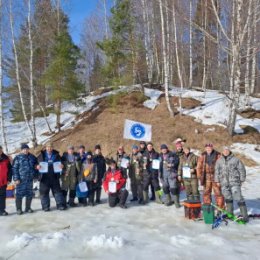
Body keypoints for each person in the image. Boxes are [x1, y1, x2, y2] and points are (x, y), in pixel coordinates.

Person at [215, 147, 248, 221]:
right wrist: (217, 181)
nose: (226, 152)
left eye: (227, 150)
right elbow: (217, 171)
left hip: (234, 182)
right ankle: (230, 214)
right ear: (222, 151)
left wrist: (242, 179)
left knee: (238, 197)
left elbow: (241, 169)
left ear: (229, 151)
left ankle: (244, 216)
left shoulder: (236, 160)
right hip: (224, 182)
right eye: (224, 150)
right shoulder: (219, 161)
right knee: (228, 198)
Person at [38, 142, 65, 211]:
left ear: (52, 148)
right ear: (46, 148)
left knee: (57, 191)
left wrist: (62, 165)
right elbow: (35, 164)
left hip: (54, 176)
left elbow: (62, 163)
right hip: (44, 177)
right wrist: (37, 166)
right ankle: (45, 206)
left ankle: (60, 205)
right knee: (44, 192)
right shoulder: (41, 155)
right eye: (48, 147)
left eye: (51, 147)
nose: (49, 148)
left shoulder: (57, 155)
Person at [12, 144, 39, 215]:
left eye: (27, 149)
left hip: (30, 180)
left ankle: (28, 208)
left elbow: (36, 166)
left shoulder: (32, 157)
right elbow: (14, 169)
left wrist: (36, 176)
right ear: (21, 150)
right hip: (20, 180)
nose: (25, 150)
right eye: (24, 149)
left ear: (28, 149)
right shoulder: (17, 158)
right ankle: (19, 209)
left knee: (29, 194)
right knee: (19, 195)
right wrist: (16, 179)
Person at [197, 143, 224, 209]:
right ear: (205, 148)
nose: (208, 149)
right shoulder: (202, 155)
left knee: (218, 193)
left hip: (216, 177)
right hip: (206, 177)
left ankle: (220, 208)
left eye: (210, 148)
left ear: (212, 147)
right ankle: (207, 207)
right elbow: (198, 167)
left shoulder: (218, 155)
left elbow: (223, 167)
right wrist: (199, 176)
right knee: (206, 192)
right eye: (207, 148)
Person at [0, 146, 12, 216]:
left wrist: (9, 179)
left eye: (1, 150)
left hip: (3, 181)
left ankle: (2, 210)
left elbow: (10, 170)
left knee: (2, 196)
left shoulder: (6, 158)